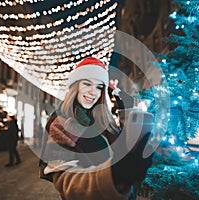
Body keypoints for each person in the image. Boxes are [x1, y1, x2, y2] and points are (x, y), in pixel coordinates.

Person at [39, 57, 153, 199]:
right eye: (87, 84)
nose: (93, 92)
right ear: (75, 86)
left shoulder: (104, 121)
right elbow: (65, 180)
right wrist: (115, 176)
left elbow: (123, 150)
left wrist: (125, 111)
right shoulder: (62, 122)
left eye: (99, 87)